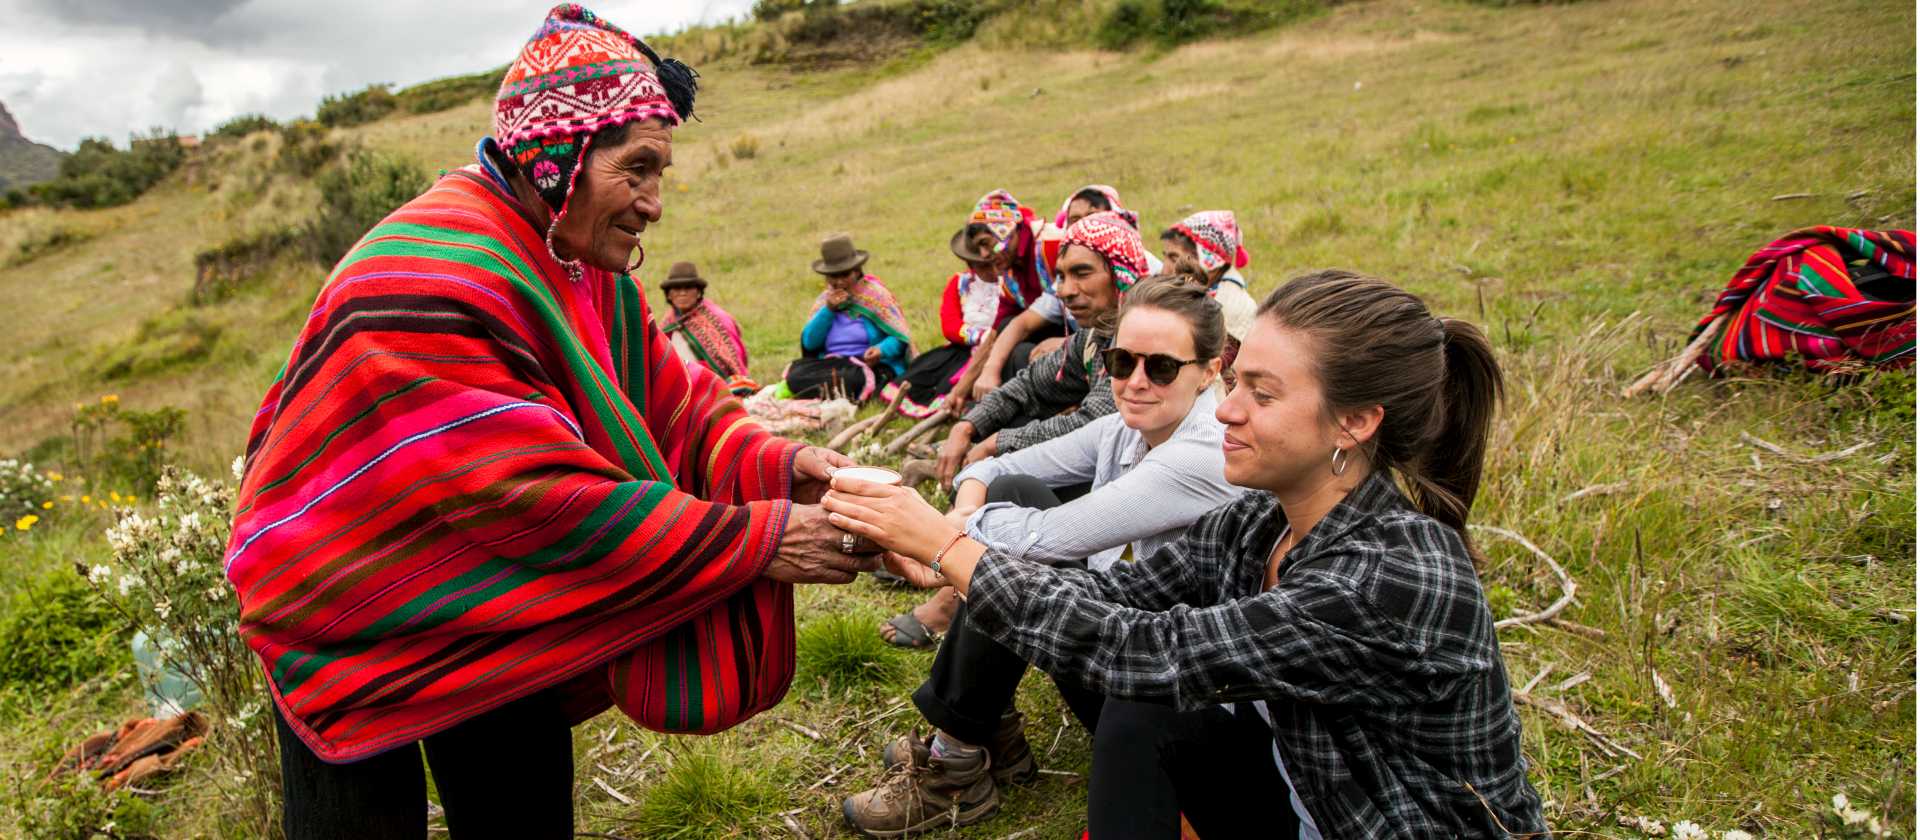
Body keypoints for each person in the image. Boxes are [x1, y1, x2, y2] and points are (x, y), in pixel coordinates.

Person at [227, 8, 873, 838]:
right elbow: (524, 495)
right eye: (636, 169)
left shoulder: (570, 255)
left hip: (488, 593)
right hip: (344, 604)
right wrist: (757, 537)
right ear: (557, 155)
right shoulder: (432, 277)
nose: (654, 203)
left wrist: (780, 466)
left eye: (660, 171)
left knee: (521, 808)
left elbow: (675, 403)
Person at [828, 270, 1552, 838]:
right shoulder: (1260, 521)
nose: (1228, 409)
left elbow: (1145, 649)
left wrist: (949, 546)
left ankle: (962, 760)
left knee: (1144, 682)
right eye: (1237, 381)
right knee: (1145, 706)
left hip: (1377, 823)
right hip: (1309, 793)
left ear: (1355, 422)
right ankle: (967, 753)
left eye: (1262, 394)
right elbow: (1115, 600)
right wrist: (946, 556)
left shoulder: (1389, 575)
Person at [842, 278, 1244, 835]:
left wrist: (939, 536)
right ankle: (978, 731)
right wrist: (964, 516)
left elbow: (1046, 539)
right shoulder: (1124, 429)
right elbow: (994, 468)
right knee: (1016, 497)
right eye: (1121, 362)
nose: (1135, 381)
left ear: (1209, 371)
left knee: (1018, 550)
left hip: (1166, 697)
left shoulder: (1200, 455)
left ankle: (959, 759)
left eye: (1162, 368)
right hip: (1124, 655)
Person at [935, 210, 1151, 487]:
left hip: (1136, 482)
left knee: (1005, 483)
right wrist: (968, 425)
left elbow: (1094, 424)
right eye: (1061, 276)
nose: (1064, 290)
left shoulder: (1143, 341)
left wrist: (999, 442)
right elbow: (1031, 385)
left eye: (1081, 273)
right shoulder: (1094, 336)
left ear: (1122, 274)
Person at [971, 185, 1150, 401]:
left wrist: (1065, 343)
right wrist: (988, 374)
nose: (1065, 291)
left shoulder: (1146, 314)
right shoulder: (1049, 264)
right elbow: (1017, 325)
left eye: (1082, 273)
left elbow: (1098, 414)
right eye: (1074, 219)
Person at [885, 220, 1033, 418]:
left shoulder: (1013, 281)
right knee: (924, 379)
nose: (991, 270)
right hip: (963, 350)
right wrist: (981, 336)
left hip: (1002, 347)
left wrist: (997, 339)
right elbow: (950, 325)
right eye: (982, 266)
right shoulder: (960, 284)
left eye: (992, 263)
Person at [780, 233, 915, 401]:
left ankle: (828, 390)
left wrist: (881, 349)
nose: (839, 282)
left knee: (851, 379)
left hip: (869, 365)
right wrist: (829, 310)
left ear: (857, 271)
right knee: (796, 374)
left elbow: (900, 337)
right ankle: (832, 389)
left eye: (845, 275)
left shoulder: (877, 296)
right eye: (833, 277)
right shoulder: (824, 301)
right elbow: (810, 343)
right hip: (833, 364)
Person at [1162, 210, 1257, 387]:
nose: (1164, 269)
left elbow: (1214, 371)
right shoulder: (1199, 291)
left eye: (1174, 258)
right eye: (1165, 256)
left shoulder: (1230, 305)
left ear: (1209, 261)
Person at [659, 260, 756, 395]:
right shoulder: (668, 323)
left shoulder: (717, 319)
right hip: (681, 389)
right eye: (676, 289)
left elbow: (732, 363)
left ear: (698, 292)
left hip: (718, 389)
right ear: (669, 295)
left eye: (688, 288)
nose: (682, 293)